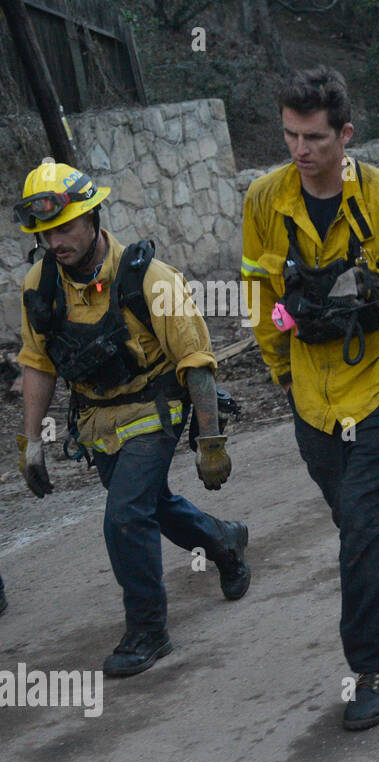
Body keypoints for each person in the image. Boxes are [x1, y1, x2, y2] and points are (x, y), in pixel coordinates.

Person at [241, 67, 379, 731]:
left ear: (345, 135)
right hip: (310, 393)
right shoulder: (264, 200)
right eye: (289, 135)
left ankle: (373, 667)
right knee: (358, 521)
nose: (300, 150)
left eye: (313, 137)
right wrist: (279, 369)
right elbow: (261, 296)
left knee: (360, 526)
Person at [15, 161, 249, 676]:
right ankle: (223, 541)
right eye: (45, 232)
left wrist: (211, 442)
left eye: (65, 227)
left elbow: (197, 365)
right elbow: (37, 364)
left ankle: (148, 631)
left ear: (94, 217)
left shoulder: (152, 279)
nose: (55, 241)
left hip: (155, 411)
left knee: (124, 518)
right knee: (153, 507)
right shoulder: (42, 284)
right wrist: (30, 442)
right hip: (96, 423)